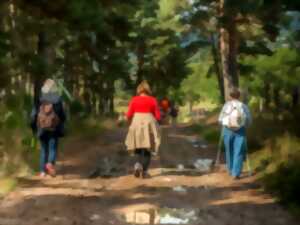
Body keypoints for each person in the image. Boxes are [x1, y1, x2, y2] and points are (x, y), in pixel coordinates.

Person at [125, 81, 161, 178]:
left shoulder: (134, 100)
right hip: (149, 123)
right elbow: (158, 116)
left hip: (136, 122)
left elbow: (128, 115)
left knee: (137, 147)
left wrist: (129, 122)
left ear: (139, 90)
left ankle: (137, 165)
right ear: (148, 90)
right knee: (147, 148)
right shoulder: (153, 100)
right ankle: (144, 171)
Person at [31, 79, 66, 178]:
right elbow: (63, 115)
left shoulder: (39, 99)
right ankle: (50, 164)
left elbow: (33, 116)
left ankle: (42, 172)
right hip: (54, 128)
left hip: (41, 128)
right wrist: (61, 123)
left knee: (43, 149)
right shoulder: (58, 99)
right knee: (52, 148)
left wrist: (34, 127)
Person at [218, 88, 252, 180]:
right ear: (239, 96)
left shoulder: (226, 105)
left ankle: (230, 170)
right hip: (240, 131)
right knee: (239, 151)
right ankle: (236, 173)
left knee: (229, 150)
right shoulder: (243, 106)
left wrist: (224, 124)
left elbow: (220, 119)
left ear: (230, 96)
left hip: (227, 130)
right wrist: (246, 126)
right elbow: (249, 119)